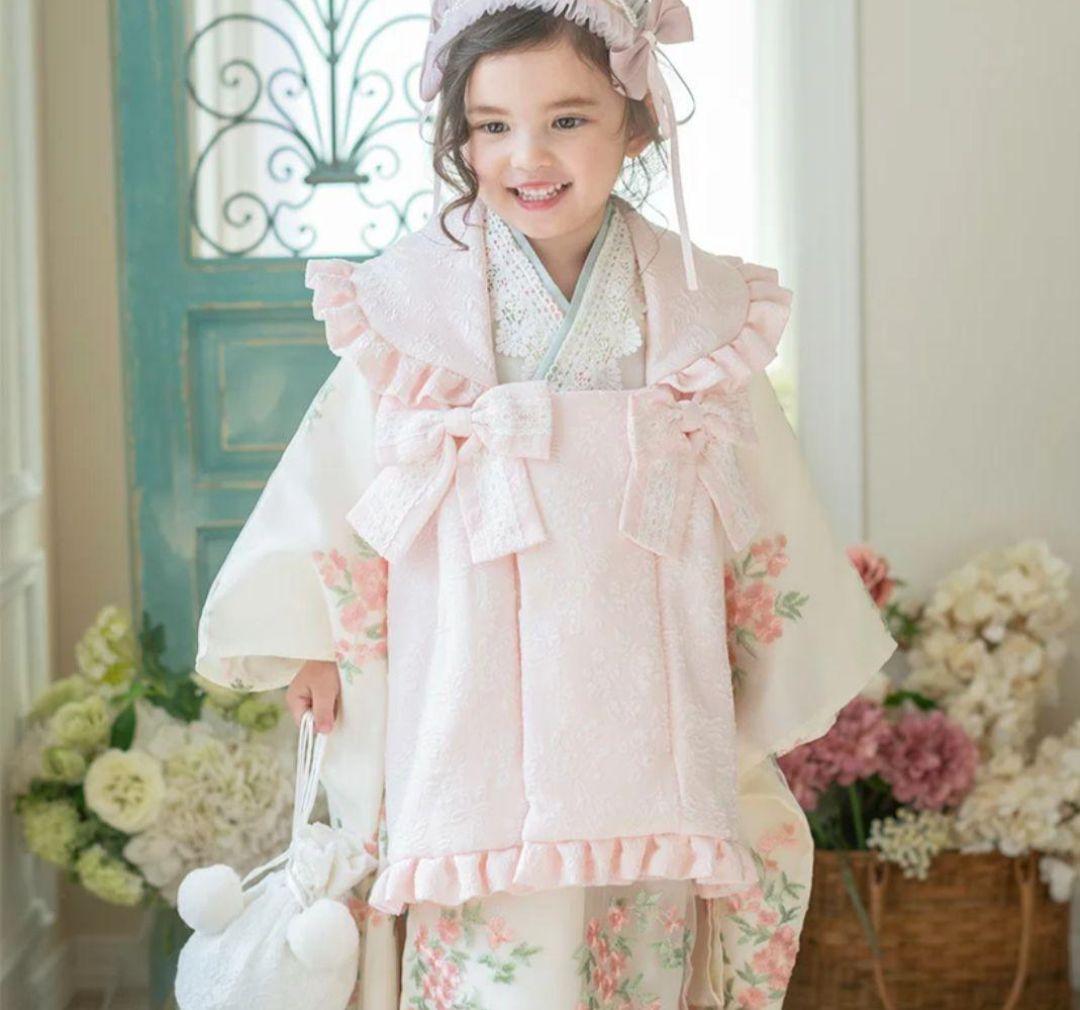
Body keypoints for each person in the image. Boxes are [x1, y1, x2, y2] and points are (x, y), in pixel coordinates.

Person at [193, 2, 897, 1007]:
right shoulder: (413, 307)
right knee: (498, 960)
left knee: (635, 943)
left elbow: (760, 494)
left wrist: (775, 650)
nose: (527, 156)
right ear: (461, 137)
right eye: (492, 126)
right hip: (464, 700)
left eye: (567, 119)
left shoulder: (696, 311)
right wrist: (312, 637)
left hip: (645, 703)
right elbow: (341, 473)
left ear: (636, 122)